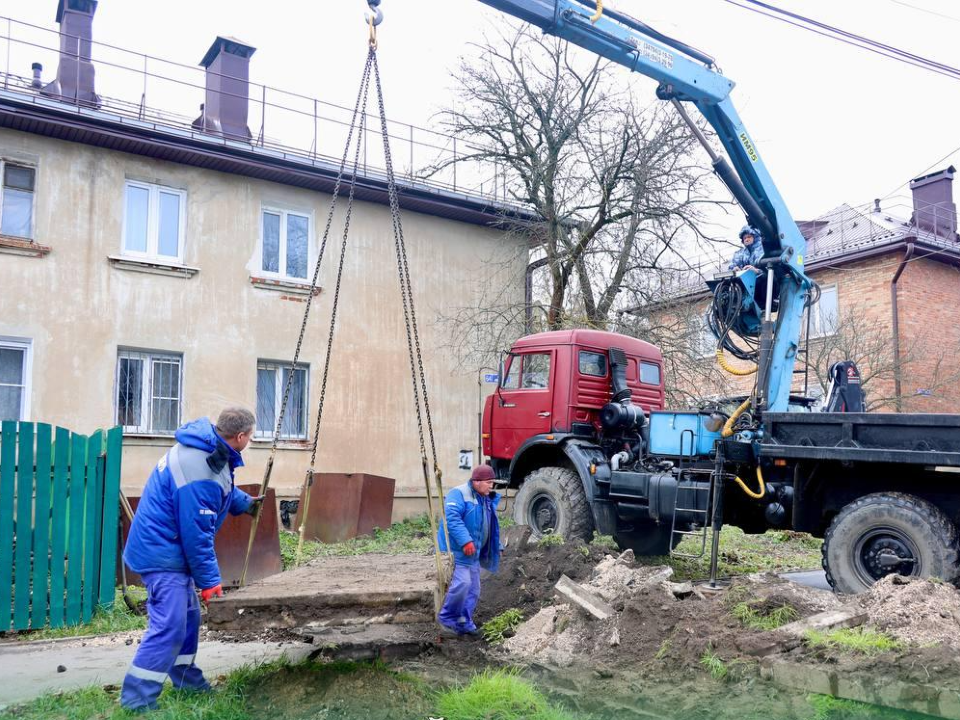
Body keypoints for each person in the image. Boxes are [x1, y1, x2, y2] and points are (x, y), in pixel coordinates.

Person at [120, 407, 264, 711]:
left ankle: (188, 682)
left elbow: (221, 486)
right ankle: (137, 701)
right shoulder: (200, 469)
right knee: (171, 624)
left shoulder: (207, 448)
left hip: (166, 546)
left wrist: (246, 504)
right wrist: (210, 583)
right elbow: (196, 535)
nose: (251, 440)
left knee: (188, 619)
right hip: (162, 552)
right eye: (251, 436)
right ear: (240, 437)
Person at [436, 464, 501, 637]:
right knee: (462, 584)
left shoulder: (485, 498)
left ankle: (463, 621)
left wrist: (497, 545)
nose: (491, 486)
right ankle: (447, 618)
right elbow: (452, 518)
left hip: (473, 553)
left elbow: (490, 524)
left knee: (474, 589)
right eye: (488, 482)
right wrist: (466, 541)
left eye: (492, 482)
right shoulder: (458, 494)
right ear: (477, 482)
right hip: (458, 551)